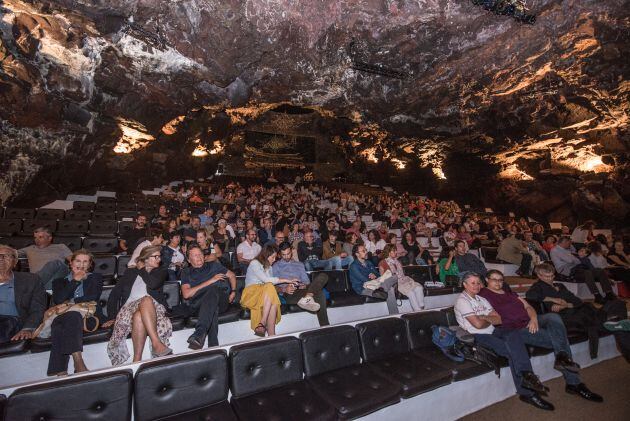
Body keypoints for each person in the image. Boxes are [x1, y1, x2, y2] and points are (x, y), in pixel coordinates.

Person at [479, 270, 602, 402]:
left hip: (530, 321)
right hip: (516, 328)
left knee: (553, 317)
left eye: (500, 280)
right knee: (560, 340)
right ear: (487, 280)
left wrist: (533, 319)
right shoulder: (483, 295)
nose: (498, 282)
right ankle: (574, 382)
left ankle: (563, 362)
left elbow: (528, 307)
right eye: (494, 279)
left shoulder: (509, 293)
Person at [454, 272, 553, 411]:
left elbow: (499, 319)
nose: (476, 285)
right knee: (513, 352)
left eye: (478, 282)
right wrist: (487, 318)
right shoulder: (462, 301)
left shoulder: (481, 299)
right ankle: (527, 391)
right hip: (477, 336)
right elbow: (477, 325)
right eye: (472, 283)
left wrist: (484, 317)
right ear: (464, 284)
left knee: (513, 333)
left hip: (493, 331)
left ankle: (527, 377)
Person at [526, 263, 629, 359]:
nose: (550, 279)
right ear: (539, 276)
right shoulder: (538, 287)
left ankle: (614, 323)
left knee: (618, 303)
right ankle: (613, 324)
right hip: (567, 318)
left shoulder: (560, 286)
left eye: (552, 276)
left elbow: (578, 301)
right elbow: (531, 295)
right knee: (616, 324)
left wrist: (566, 305)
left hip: (579, 310)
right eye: (546, 276)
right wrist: (552, 299)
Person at [104, 246, 172, 365]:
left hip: (153, 310)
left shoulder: (161, 271)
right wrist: (111, 317)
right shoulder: (130, 272)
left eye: (159, 256)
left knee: (140, 314)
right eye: (155, 256)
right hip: (128, 309)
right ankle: (157, 344)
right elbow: (114, 295)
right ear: (145, 258)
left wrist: (142, 270)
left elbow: (153, 284)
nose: (159, 259)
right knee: (145, 300)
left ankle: (136, 361)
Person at [48, 250, 103, 376]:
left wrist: (69, 302)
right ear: (71, 263)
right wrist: (75, 281)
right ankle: (78, 363)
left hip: (88, 317)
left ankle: (62, 368)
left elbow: (92, 297)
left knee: (63, 323)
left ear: (90, 265)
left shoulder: (95, 278)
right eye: (78, 261)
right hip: (63, 317)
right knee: (67, 319)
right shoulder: (59, 282)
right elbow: (58, 300)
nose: (81, 264)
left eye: (85, 261)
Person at [177, 246, 237, 349]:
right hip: (199, 305)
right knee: (212, 306)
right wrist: (210, 281)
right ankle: (213, 347)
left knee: (213, 290)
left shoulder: (214, 266)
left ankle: (200, 333)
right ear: (189, 260)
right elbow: (186, 294)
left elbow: (231, 275)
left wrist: (233, 291)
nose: (199, 257)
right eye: (195, 255)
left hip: (221, 301)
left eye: (200, 254)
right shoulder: (186, 272)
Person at [240, 244, 299, 337]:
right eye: (273, 257)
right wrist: (287, 280)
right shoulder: (254, 263)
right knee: (269, 288)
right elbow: (266, 280)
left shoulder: (270, 268)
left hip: (264, 294)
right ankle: (263, 323)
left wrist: (284, 288)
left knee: (273, 299)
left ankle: (271, 334)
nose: (274, 259)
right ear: (266, 256)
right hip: (251, 293)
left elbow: (270, 284)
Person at [273, 242, 330, 326]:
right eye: (283, 255)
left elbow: (306, 282)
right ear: (280, 254)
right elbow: (273, 286)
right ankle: (325, 326)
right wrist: (285, 289)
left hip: (302, 290)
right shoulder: (276, 266)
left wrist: (303, 285)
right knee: (319, 292)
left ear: (291, 252)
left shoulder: (299, 264)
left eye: (288, 254)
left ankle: (308, 296)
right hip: (290, 294)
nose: (286, 256)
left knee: (323, 276)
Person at [0, 245, 46, 344]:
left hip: (10, 321)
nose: (1, 259)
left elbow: (37, 309)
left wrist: (28, 328)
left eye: (7, 256)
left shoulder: (31, 280)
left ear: (15, 262)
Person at [550, 236, 615, 304]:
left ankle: (608, 293)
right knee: (587, 272)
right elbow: (570, 260)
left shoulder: (567, 249)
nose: (570, 244)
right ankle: (597, 296)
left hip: (577, 267)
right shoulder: (555, 250)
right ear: (564, 242)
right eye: (569, 243)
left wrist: (576, 258)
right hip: (565, 269)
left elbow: (576, 257)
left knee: (599, 271)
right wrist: (576, 258)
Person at [348, 244, 397, 313]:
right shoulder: (353, 266)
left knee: (394, 277)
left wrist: (374, 275)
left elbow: (377, 274)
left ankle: (381, 289)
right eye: (363, 251)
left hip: (375, 283)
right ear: (357, 254)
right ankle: (394, 313)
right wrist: (372, 278)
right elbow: (363, 279)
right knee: (390, 289)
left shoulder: (368, 262)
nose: (366, 252)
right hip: (363, 287)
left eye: (366, 250)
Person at [379, 244, 425, 311]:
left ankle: (421, 308)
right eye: (394, 251)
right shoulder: (382, 263)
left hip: (404, 280)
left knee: (419, 288)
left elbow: (402, 273)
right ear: (388, 252)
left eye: (395, 251)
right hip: (396, 283)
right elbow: (382, 279)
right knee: (411, 293)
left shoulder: (397, 261)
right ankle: (418, 311)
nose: (396, 252)